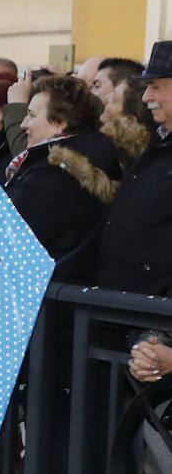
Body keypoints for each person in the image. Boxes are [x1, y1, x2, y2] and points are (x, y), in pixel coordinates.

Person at [4, 74, 120, 262]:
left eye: (31, 115)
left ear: (60, 123)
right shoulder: (71, 163)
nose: (23, 124)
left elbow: (6, 238)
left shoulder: (53, 175)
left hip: (48, 285)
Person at [96, 41, 172, 297]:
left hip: (153, 317)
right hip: (126, 305)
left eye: (156, 87)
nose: (145, 97)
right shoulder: (156, 144)